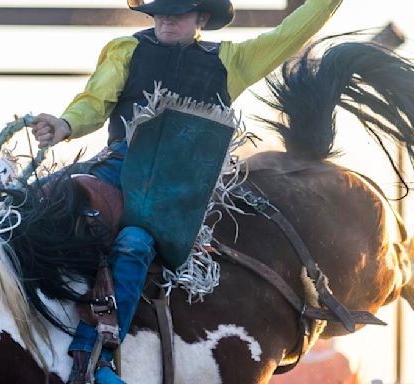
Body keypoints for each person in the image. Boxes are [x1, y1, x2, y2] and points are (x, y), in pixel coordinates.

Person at [30, 0, 343, 383]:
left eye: (176, 12)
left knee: (135, 243)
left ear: (201, 19)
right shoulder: (126, 49)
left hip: (174, 188)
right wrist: (65, 124)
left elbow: (290, 33)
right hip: (119, 164)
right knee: (36, 202)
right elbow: (95, 101)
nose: (164, 18)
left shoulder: (231, 60)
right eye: (160, 10)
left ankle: (94, 357)